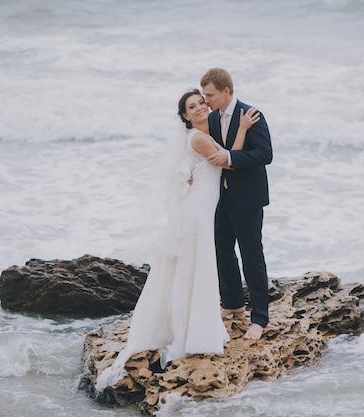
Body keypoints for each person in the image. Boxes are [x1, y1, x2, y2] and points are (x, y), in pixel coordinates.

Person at [94, 89, 260, 393]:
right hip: (197, 211)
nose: (198, 108)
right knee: (196, 267)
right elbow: (228, 162)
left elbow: (221, 155)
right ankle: (190, 333)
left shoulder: (201, 133)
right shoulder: (197, 137)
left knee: (196, 266)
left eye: (200, 103)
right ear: (184, 115)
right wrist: (245, 129)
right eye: (191, 107)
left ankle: (197, 323)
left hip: (200, 207)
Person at [200, 68, 273, 340]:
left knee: (251, 256)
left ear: (226, 91)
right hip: (220, 197)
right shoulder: (211, 118)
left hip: (248, 198)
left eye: (210, 95)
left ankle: (260, 318)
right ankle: (232, 303)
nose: (206, 100)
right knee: (222, 251)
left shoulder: (251, 115)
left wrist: (230, 159)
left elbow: (265, 154)